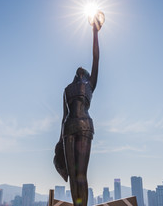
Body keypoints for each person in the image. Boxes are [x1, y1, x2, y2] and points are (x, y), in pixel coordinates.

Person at [54, 18, 102, 206]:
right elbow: (62, 116)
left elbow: (96, 57)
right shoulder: (67, 89)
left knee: (81, 174)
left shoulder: (90, 85)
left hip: (83, 126)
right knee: (73, 176)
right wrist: (59, 142)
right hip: (68, 129)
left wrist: (95, 32)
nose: (81, 69)